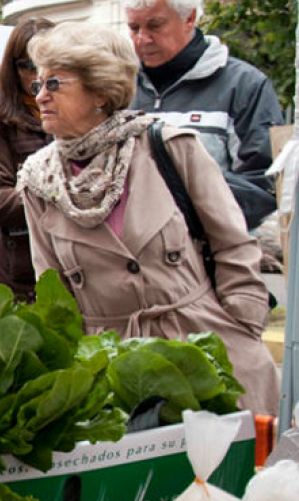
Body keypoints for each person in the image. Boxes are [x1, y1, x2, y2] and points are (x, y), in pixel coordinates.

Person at [17, 22, 278, 416]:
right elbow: (52, 293)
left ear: (100, 91)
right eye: (37, 85)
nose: (41, 97)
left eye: (54, 83)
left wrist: (242, 325)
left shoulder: (167, 147)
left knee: (228, 474)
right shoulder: (39, 181)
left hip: (207, 350)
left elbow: (234, 244)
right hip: (115, 372)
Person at [125, 0, 283, 229]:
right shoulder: (120, 87)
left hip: (210, 253)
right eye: (134, 28)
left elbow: (264, 184)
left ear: (189, 19)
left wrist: (178, 208)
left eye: (155, 25)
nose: (142, 39)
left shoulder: (244, 86)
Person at [0, 18, 54, 301]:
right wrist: (57, 197)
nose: (37, 75)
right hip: (18, 277)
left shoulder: (76, 108)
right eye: (27, 65)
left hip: (71, 267)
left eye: (45, 63)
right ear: (12, 68)